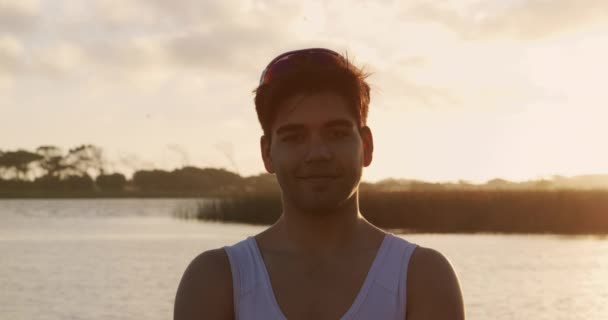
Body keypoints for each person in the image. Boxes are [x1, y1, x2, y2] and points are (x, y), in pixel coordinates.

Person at [174, 48, 465, 320]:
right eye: (294, 137)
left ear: (366, 146)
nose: (317, 154)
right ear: (267, 154)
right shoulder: (217, 280)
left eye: (336, 133)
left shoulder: (421, 278)